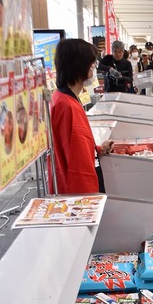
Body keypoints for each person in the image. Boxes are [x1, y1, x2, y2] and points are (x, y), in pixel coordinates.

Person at [50, 38, 114, 194]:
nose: (94, 67)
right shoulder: (68, 106)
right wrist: (90, 200)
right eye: (91, 63)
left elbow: (73, 147)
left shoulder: (62, 98)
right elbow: (77, 164)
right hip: (77, 195)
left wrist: (98, 149)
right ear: (79, 65)